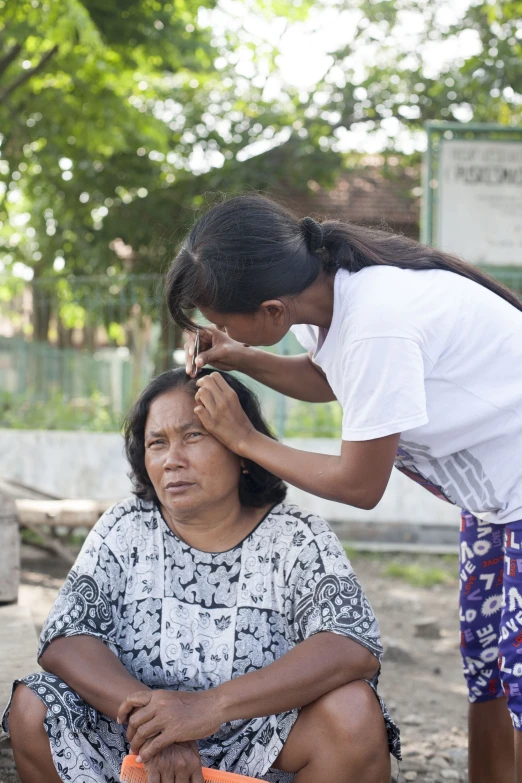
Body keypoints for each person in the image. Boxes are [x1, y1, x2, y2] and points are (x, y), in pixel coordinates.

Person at [166, 193, 522, 783]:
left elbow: (361, 484)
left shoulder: (377, 323)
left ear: (274, 310)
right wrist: (243, 356)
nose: (217, 332)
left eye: (224, 322)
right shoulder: (334, 297)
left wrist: (247, 438)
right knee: (491, 674)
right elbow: (331, 378)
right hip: (495, 508)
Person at [3, 368, 398, 783]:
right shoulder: (126, 527)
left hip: (263, 745)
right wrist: (158, 723)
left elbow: (352, 644)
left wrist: (211, 706)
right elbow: (67, 637)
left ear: (243, 450)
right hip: (135, 745)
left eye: (194, 436)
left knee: (353, 712)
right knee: (35, 706)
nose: (173, 459)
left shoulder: (297, 537)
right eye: (157, 443)